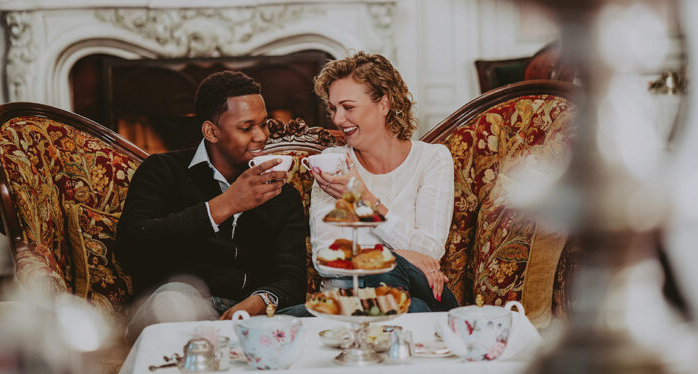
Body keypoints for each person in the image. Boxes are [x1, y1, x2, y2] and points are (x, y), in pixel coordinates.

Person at [117, 70, 307, 329]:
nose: (261, 136)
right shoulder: (162, 170)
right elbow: (132, 245)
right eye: (246, 127)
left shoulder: (282, 193)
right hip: (180, 306)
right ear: (211, 131)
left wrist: (260, 301)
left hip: (254, 314)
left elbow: (292, 276)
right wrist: (228, 203)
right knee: (174, 303)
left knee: (322, 316)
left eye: (264, 124)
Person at [309, 52, 458, 312]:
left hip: (412, 290)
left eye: (348, 107)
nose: (337, 119)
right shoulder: (332, 163)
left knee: (397, 287)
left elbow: (430, 251)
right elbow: (325, 260)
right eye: (333, 109)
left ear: (384, 104)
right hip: (343, 305)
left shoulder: (432, 159)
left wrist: (364, 200)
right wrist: (403, 256)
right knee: (414, 309)